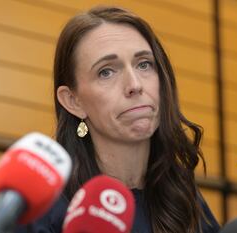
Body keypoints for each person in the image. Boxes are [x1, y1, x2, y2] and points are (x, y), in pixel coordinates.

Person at [15, 6, 220, 233]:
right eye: (106, 72)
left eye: (144, 64)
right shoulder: (44, 207)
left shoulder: (183, 197)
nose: (134, 85)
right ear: (73, 101)